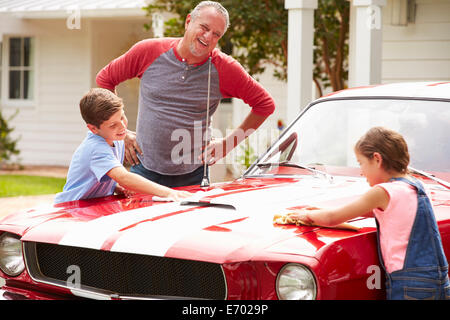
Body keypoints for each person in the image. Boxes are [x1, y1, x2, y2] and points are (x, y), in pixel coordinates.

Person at [96, 1, 275, 188]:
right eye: (204, 27)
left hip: (193, 174)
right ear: (188, 21)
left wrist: (228, 144)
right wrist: (120, 131)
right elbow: (105, 79)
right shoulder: (148, 51)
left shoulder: (224, 68)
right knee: (140, 218)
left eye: (216, 34)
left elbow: (265, 105)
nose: (208, 37)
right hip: (143, 169)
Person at [288, 127, 450, 300]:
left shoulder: (382, 192)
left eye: (361, 163)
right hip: (438, 280)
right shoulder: (415, 186)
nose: (361, 171)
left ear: (377, 159)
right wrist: (322, 212)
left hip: (408, 285)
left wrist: (307, 216)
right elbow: (374, 212)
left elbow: (333, 218)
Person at [54, 88, 192, 204]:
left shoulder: (116, 139)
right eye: (113, 125)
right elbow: (124, 177)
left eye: (122, 117)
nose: (122, 127)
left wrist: (114, 187)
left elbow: (101, 176)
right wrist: (168, 192)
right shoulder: (95, 148)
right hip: (72, 208)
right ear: (93, 129)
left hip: (95, 205)